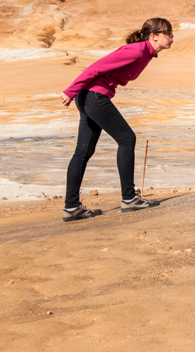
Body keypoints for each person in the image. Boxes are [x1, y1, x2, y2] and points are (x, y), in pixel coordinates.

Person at [60, 18, 174, 221]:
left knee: (83, 152)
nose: (172, 37)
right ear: (154, 36)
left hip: (90, 96)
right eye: (168, 33)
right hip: (93, 96)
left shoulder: (146, 52)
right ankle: (129, 199)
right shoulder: (137, 50)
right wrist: (71, 90)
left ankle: (72, 207)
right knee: (126, 139)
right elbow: (95, 68)